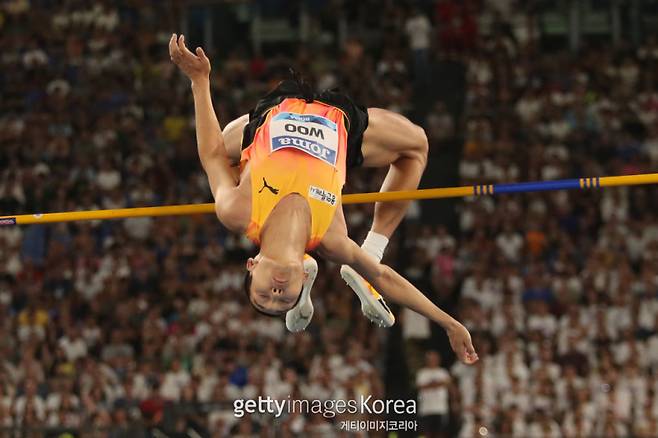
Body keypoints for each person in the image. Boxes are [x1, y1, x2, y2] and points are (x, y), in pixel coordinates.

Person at [168, 34, 478, 364]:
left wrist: (199, 82)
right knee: (416, 145)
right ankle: (372, 249)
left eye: (262, 295)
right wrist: (449, 323)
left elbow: (212, 156)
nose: (275, 294)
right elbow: (386, 279)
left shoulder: (237, 211)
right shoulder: (333, 240)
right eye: (284, 299)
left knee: (224, 159)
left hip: (268, 118)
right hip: (337, 124)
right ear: (299, 278)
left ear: (252, 264)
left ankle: (335, 250)